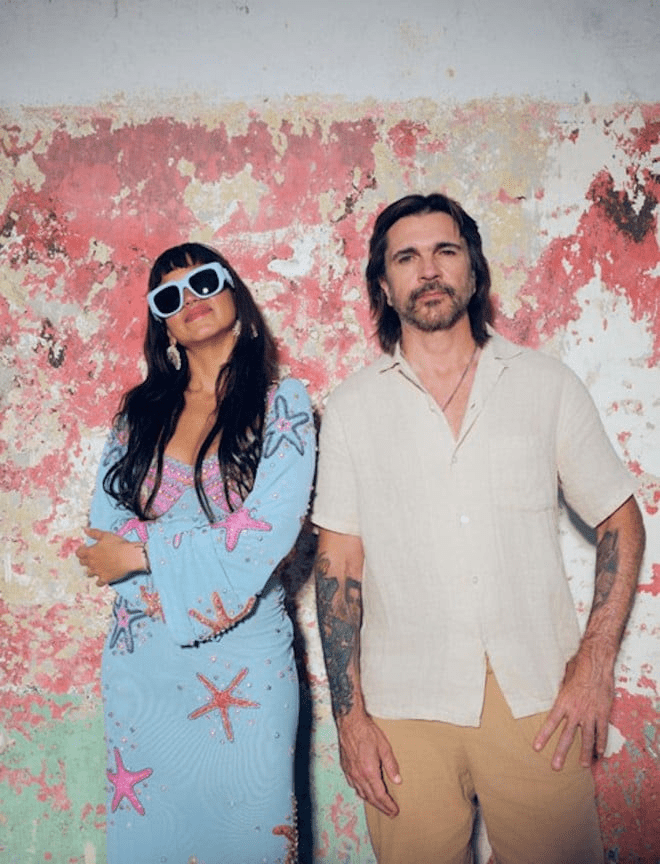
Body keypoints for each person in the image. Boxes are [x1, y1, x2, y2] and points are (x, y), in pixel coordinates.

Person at [311, 193, 645, 864]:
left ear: (473, 269)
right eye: (406, 257)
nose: (428, 270)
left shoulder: (545, 384)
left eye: (445, 251)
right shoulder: (351, 409)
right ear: (384, 285)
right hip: (404, 709)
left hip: (538, 696)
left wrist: (594, 662)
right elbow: (337, 566)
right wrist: (350, 720)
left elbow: (620, 518)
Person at [76, 242, 315, 864]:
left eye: (204, 281)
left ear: (234, 291)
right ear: (162, 323)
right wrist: (150, 561)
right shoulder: (137, 415)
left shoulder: (284, 404)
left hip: (248, 664)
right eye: (169, 296)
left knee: (251, 835)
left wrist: (144, 553)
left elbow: (267, 533)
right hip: (145, 666)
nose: (189, 300)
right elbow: (105, 536)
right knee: (152, 837)